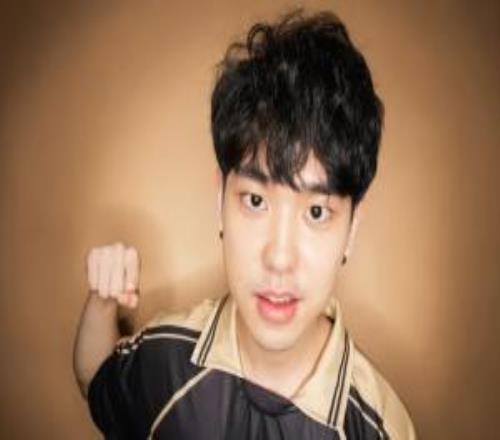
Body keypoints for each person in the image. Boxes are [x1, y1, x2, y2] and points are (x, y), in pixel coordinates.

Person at [73, 10, 416, 440]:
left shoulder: (382, 428)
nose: (279, 258)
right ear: (220, 201)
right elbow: (97, 380)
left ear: (352, 229)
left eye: (316, 212)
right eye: (255, 201)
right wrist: (103, 302)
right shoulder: (167, 356)